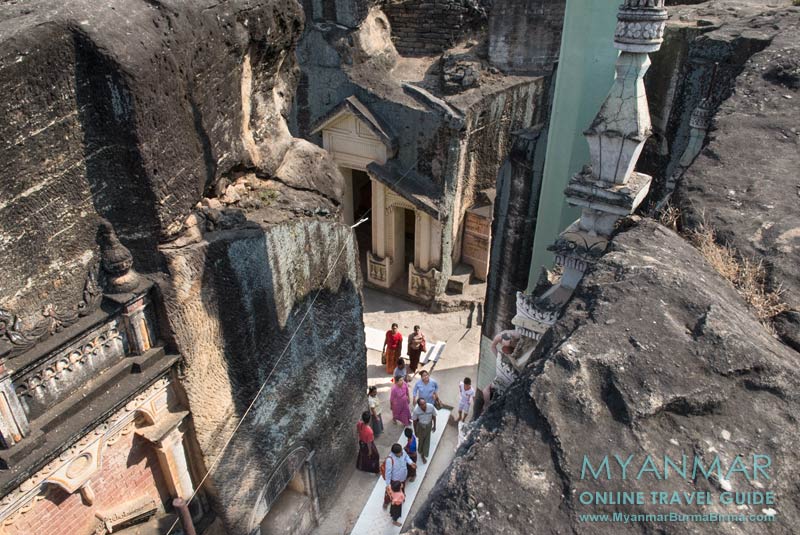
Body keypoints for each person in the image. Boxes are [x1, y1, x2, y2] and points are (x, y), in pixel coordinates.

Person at [383, 443, 415, 508]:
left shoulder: (402, 451)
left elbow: (406, 457)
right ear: (395, 453)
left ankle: (401, 497)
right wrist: (388, 484)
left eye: (401, 451)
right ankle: (386, 501)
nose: (402, 453)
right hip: (395, 480)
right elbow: (388, 473)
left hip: (403, 477)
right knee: (390, 492)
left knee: (402, 488)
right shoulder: (390, 460)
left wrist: (411, 462)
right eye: (400, 453)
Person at [411, 398, 437, 463]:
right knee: (421, 440)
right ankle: (420, 450)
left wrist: (434, 426)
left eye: (425, 403)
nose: (424, 405)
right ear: (419, 405)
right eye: (422, 404)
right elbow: (414, 421)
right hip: (420, 426)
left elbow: (434, 416)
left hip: (428, 425)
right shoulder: (416, 410)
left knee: (427, 441)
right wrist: (415, 431)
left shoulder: (431, 407)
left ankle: (423, 455)